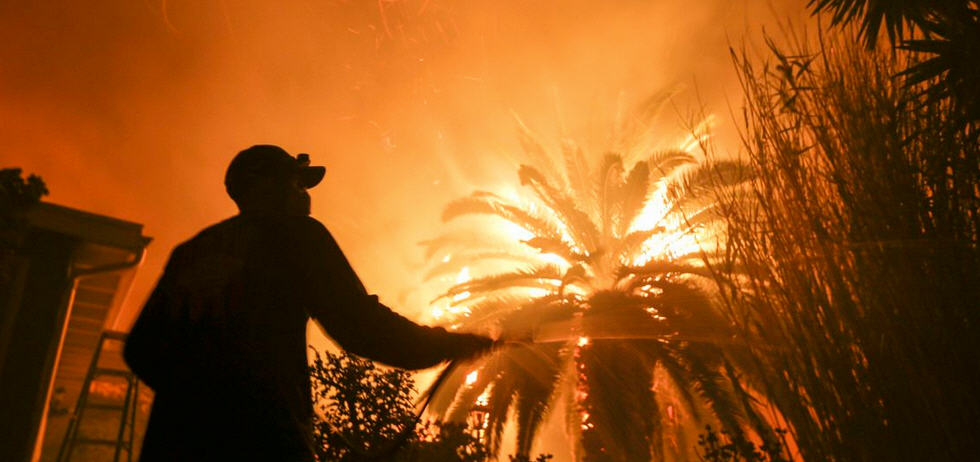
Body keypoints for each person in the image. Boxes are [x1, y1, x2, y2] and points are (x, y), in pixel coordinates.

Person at [124, 145, 493, 461]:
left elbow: (140, 351)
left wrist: (199, 398)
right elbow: (361, 326)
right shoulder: (294, 235)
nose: (304, 194)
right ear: (265, 186)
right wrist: (449, 344)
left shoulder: (190, 253)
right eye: (296, 182)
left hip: (174, 444)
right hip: (263, 443)